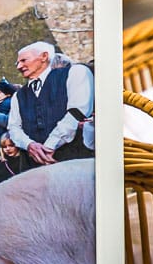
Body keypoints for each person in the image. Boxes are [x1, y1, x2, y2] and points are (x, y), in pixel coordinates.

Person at [7, 41, 95, 170]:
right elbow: (13, 127)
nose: (19, 66)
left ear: (44, 56)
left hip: (73, 161)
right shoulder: (18, 96)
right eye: (17, 63)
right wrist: (29, 145)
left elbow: (77, 112)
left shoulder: (75, 73)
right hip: (33, 167)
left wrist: (49, 146)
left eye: (24, 60)